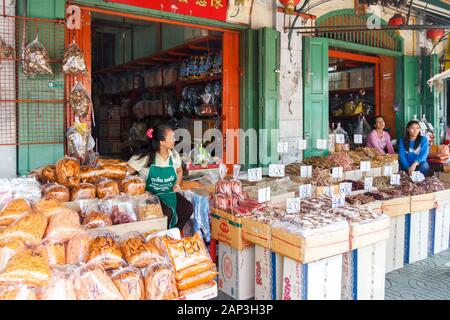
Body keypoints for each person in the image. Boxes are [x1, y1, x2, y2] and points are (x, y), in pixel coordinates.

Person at [127, 124, 193, 230]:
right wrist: (140, 191)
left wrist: (177, 184)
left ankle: (173, 234)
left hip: (169, 193)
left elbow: (180, 171)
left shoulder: (174, 156)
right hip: (151, 196)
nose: (174, 140)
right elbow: (124, 174)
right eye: (171, 137)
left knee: (187, 208)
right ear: (162, 142)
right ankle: (160, 238)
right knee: (166, 213)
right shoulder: (145, 157)